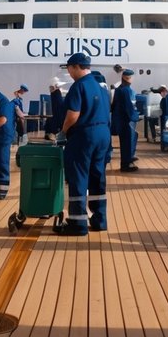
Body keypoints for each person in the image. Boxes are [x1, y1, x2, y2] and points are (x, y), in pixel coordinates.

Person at [59, 52, 112, 235]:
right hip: (103, 134)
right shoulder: (102, 88)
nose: (69, 72)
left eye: (69, 68)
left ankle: (78, 224)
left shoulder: (78, 86)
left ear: (75, 67)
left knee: (79, 177)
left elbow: (73, 115)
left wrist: (63, 131)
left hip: (85, 135)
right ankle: (99, 219)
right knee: (97, 177)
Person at [111, 68, 140, 171]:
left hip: (121, 120)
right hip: (127, 121)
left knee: (128, 141)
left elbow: (113, 106)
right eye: (131, 77)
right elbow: (130, 107)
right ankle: (126, 165)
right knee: (127, 142)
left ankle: (128, 158)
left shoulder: (119, 89)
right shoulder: (128, 90)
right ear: (126, 77)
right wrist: (136, 117)